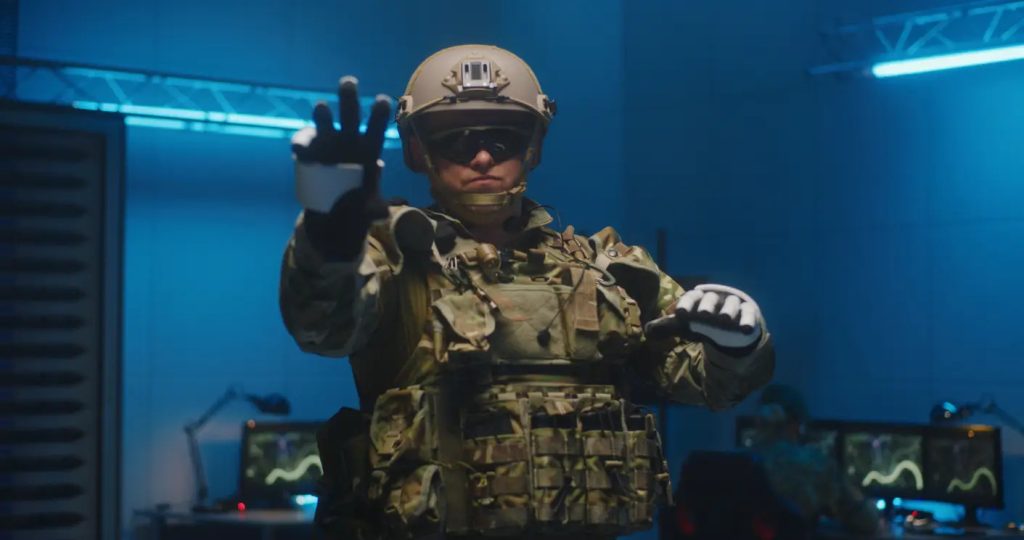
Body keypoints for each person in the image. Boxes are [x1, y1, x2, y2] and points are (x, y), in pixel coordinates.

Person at [279, 44, 775, 540]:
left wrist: (741, 344)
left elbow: (710, 384)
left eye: (503, 141)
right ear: (417, 152)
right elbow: (322, 329)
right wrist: (327, 240)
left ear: (534, 147)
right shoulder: (393, 255)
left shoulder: (607, 269)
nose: (481, 157)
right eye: (457, 141)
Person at [751, 384, 881, 536]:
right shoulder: (816, 465)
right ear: (797, 425)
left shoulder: (738, 464)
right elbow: (868, 522)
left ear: (758, 421)